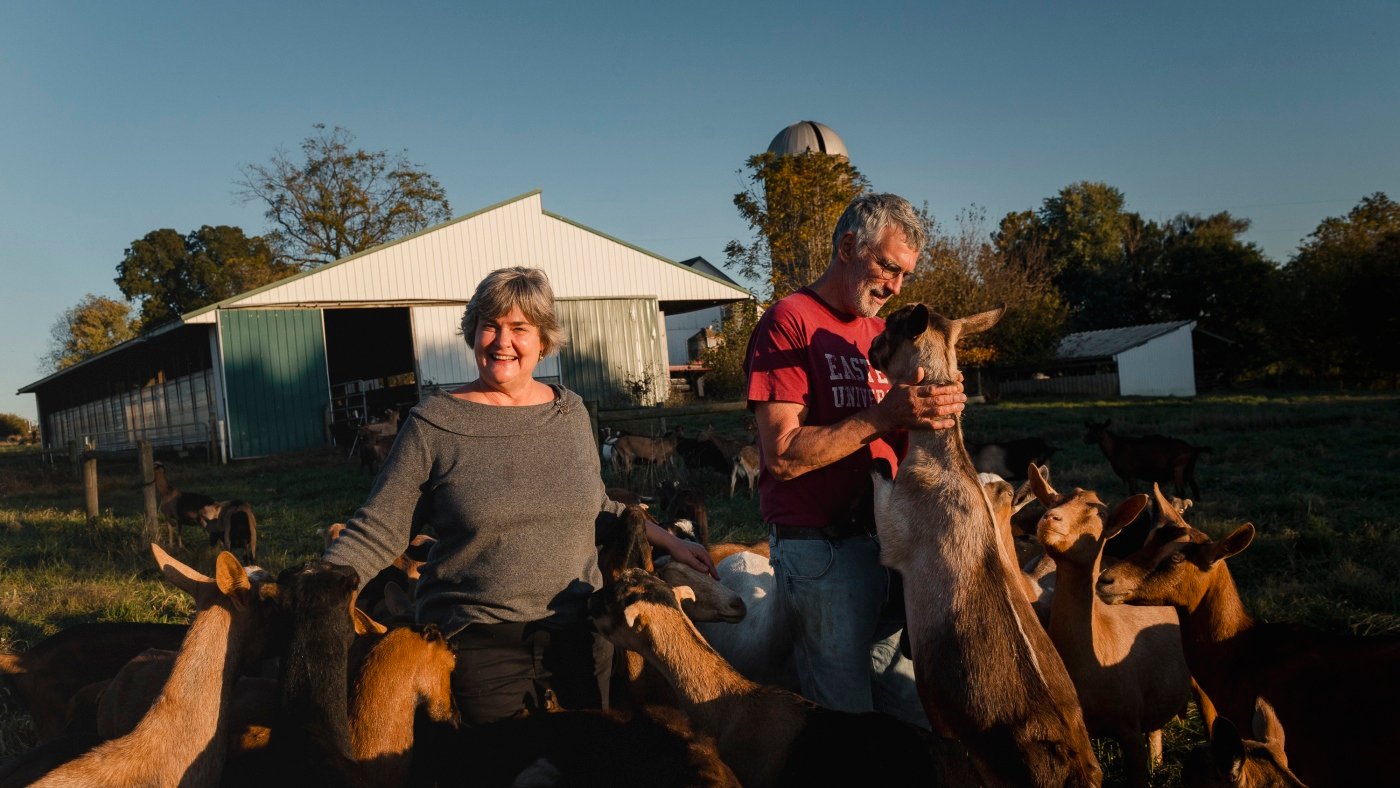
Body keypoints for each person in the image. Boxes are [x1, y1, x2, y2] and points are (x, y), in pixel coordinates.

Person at [323, 266, 714, 726]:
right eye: (490, 325)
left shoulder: (567, 412)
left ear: (543, 341)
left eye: (519, 328)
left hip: (582, 635)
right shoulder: (434, 424)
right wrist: (320, 584)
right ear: (472, 333)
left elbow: (597, 507)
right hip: (478, 644)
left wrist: (671, 541)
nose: (501, 341)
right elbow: (380, 528)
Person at [743, 192, 967, 725]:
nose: (895, 287)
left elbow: (902, 425)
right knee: (846, 725)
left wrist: (936, 411)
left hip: (886, 548)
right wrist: (885, 416)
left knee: (912, 713)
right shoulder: (787, 322)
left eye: (905, 275)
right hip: (823, 554)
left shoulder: (878, 334)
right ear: (847, 246)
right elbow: (783, 457)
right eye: (888, 267)